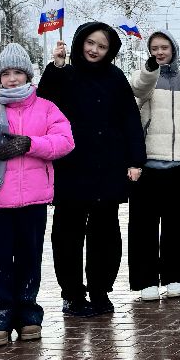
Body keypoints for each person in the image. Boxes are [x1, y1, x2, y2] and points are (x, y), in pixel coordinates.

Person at [0, 43, 75, 346]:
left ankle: (28, 315)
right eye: (6, 74)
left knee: (29, 258)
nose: (12, 79)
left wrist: (30, 144)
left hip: (33, 199)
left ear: (28, 75)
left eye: (18, 73)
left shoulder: (45, 107)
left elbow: (64, 141)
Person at [38, 22, 144, 316]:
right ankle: (72, 294)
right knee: (67, 233)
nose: (94, 50)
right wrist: (55, 67)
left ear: (110, 51)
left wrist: (136, 160)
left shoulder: (115, 77)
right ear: (79, 42)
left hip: (108, 166)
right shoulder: (65, 74)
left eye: (102, 46)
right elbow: (43, 103)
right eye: (90, 43)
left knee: (105, 233)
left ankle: (100, 290)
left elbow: (130, 120)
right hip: (71, 166)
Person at [128, 30, 180, 300]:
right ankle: (146, 280)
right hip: (147, 168)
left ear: (173, 49)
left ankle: (175, 277)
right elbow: (136, 92)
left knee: (177, 226)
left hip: (178, 169)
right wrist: (150, 71)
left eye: (164, 47)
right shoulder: (144, 78)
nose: (160, 52)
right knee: (143, 228)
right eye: (154, 48)